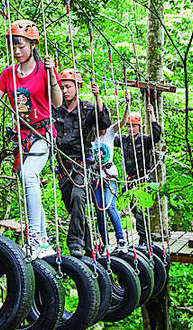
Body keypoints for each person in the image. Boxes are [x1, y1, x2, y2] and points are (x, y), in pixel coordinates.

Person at [0, 20, 62, 257]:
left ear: (32, 44)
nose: (17, 51)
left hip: (42, 134)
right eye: (13, 47)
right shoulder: (8, 74)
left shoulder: (44, 70)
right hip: (22, 138)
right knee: (27, 180)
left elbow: (58, 102)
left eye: (20, 45)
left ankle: (34, 237)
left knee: (28, 175)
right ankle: (42, 239)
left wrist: (52, 74)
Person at [52, 69, 111, 258]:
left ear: (77, 87)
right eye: (62, 87)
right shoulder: (56, 109)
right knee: (73, 207)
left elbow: (104, 123)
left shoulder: (87, 109)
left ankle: (75, 243)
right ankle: (89, 247)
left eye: (68, 86)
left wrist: (98, 98)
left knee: (78, 197)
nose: (65, 90)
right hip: (63, 164)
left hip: (82, 162)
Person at [114, 103, 162, 248]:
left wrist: (152, 114)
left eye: (134, 126)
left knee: (141, 210)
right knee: (135, 211)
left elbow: (156, 135)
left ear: (139, 127)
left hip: (142, 179)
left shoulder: (145, 140)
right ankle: (144, 236)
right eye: (129, 126)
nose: (131, 129)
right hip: (129, 180)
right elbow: (108, 136)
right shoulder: (123, 140)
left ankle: (144, 239)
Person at [91, 91, 131, 253]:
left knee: (110, 206)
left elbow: (122, 122)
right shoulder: (89, 136)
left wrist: (127, 105)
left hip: (109, 175)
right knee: (99, 210)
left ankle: (121, 239)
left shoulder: (110, 132)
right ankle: (106, 242)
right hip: (95, 176)